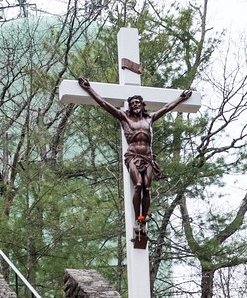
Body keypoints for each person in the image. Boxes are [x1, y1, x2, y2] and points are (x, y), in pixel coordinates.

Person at [77, 78, 192, 228]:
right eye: (132, 103)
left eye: (137, 102)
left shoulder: (149, 118)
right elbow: (104, 104)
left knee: (147, 188)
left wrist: (181, 98)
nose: (135, 105)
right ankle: (138, 217)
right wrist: (89, 89)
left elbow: (167, 107)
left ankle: (142, 219)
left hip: (148, 157)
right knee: (138, 185)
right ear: (129, 107)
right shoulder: (125, 118)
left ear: (142, 105)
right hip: (133, 155)